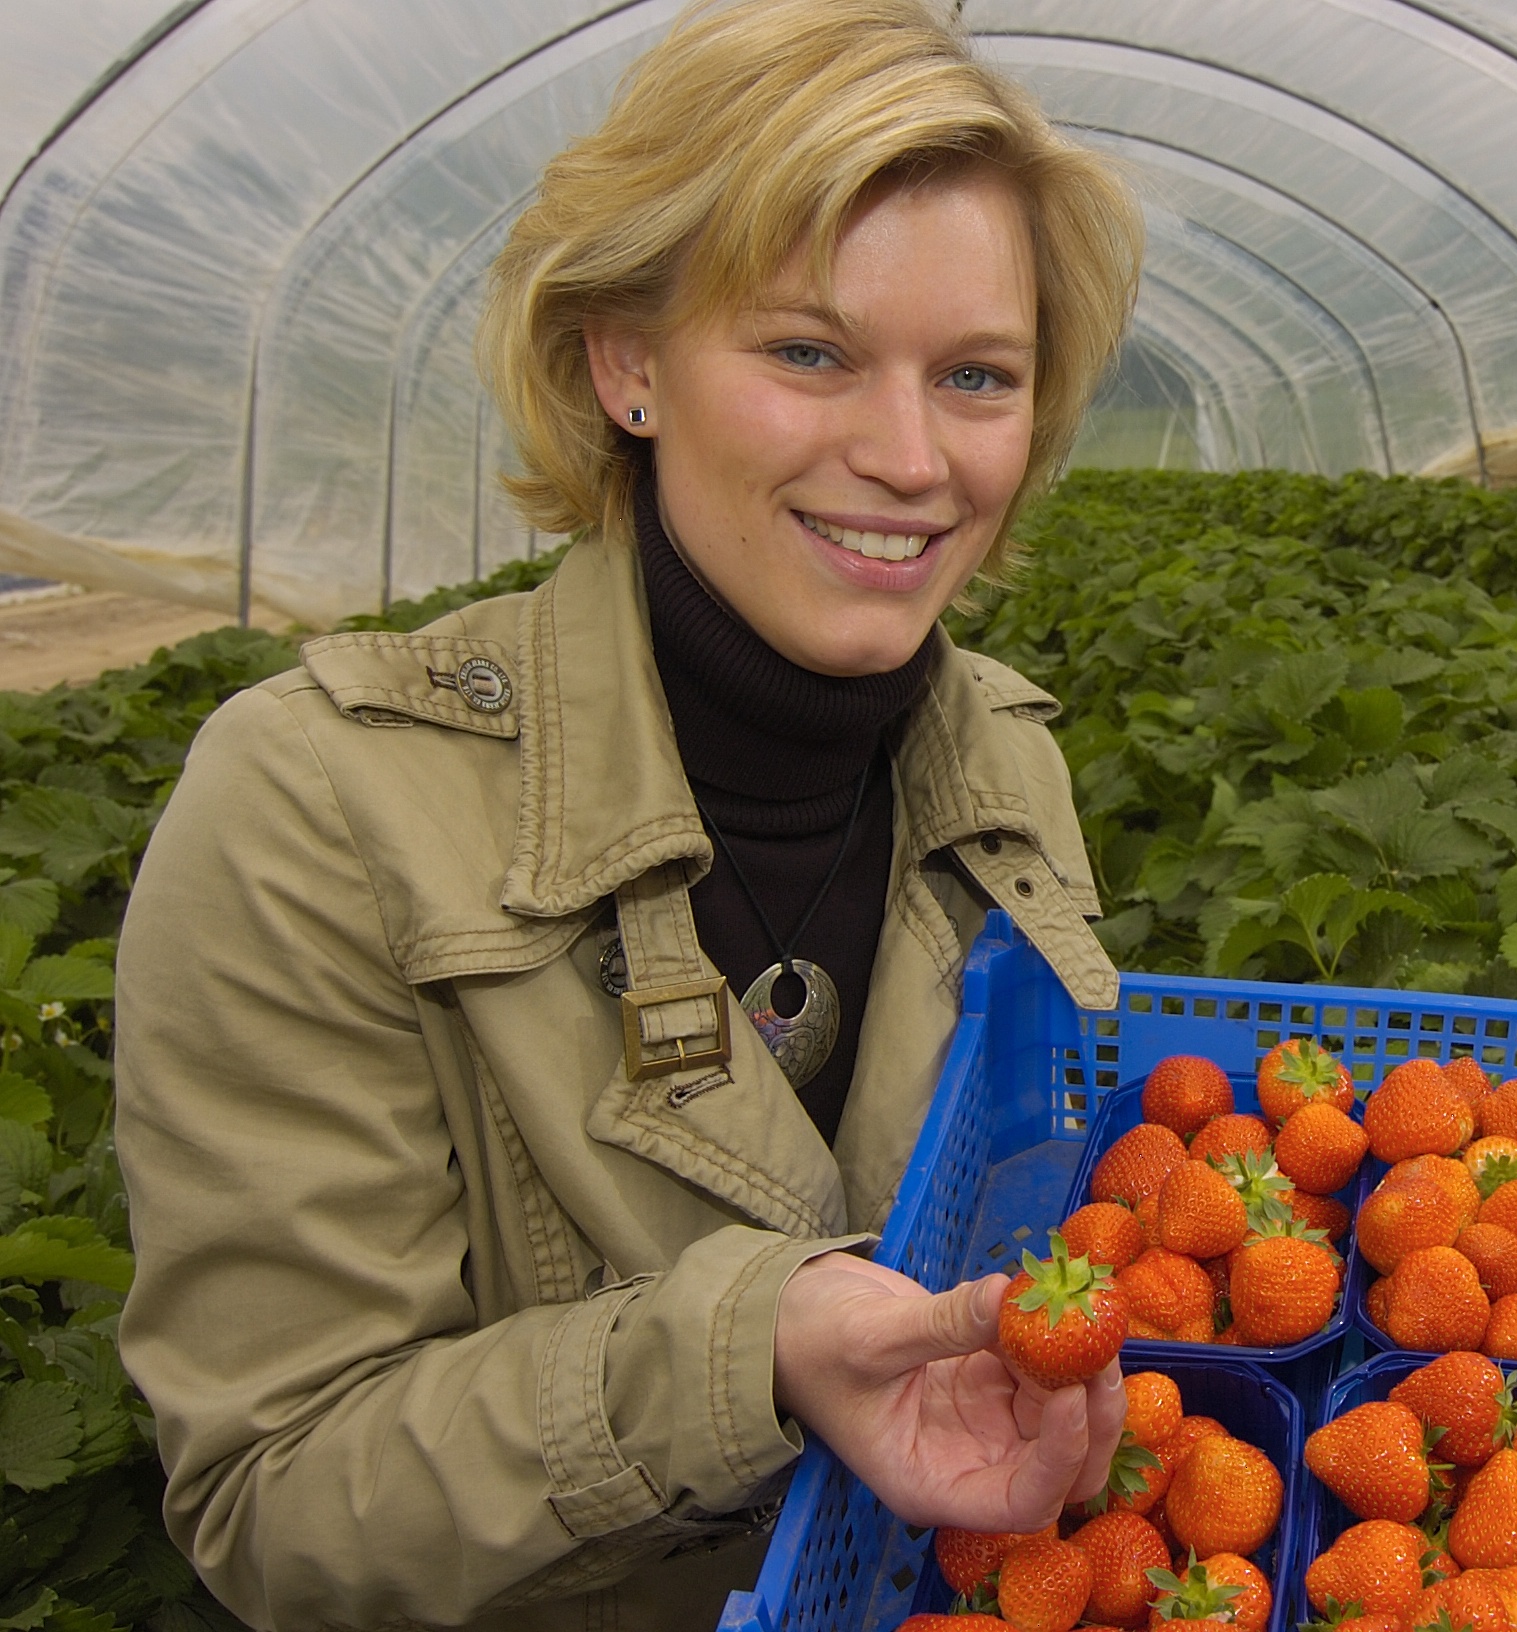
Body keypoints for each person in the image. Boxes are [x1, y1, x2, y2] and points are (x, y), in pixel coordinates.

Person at [111, 2, 1143, 1626]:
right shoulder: (320, 803)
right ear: (628, 363)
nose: (909, 453)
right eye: (810, 352)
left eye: (979, 377)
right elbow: (283, 1494)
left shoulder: (1006, 757)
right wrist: (754, 1359)